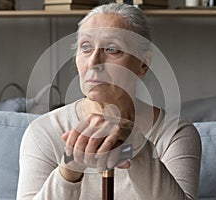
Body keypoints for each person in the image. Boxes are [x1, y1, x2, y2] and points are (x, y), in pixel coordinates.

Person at [17, 3, 201, 200]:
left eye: (112, 49)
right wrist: (68, 172)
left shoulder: (175, 134)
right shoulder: (44, 131)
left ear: (143, 63)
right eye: (85, 47)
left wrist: (135, 145)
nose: (93, 62)